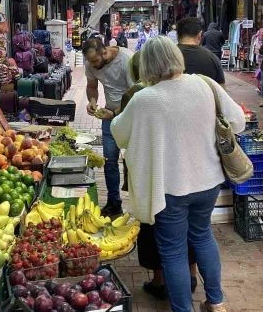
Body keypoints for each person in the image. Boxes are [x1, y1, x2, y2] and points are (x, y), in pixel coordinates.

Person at [112, 37, 245, 312]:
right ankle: (216, 301)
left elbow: (119, 133)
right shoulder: (204, 84)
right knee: (203, 236)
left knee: (173, 251)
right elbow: (238, 121)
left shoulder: (144, 98)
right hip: (207, 181)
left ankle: (183, 309)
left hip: (169, 188)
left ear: (146, 64)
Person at [118, 52, 199, 301]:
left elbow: (121, 133)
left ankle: (161, 280)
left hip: (149, 171)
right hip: (184, 169)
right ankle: (192, 275)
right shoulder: (187, 89)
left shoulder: (135, 94)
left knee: (153, 225)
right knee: (189, 228)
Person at [83, 38, 133, 217]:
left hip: (131, 116)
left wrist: (115, 113)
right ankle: (114, 202)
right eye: (90, 62)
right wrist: (92, 101)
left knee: (134, 162)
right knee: (109, 160)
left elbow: (134, 94)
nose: (93, 65)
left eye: (95, 61)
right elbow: (91, 86)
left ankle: (140, 204)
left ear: (104, 52)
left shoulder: (126, 60)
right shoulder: (91, 64)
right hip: (109, 116)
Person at [177, 17, 225, 85]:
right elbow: (221, 88)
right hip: (216, 52)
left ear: (178, 35)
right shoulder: (213, 59)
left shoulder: (166, 56)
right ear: (199, 35)